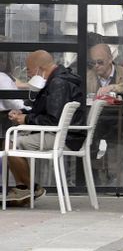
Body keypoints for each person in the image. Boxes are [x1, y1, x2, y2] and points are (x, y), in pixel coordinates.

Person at [4, 51, 86, 205]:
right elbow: (48, 111)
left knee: (10, 142)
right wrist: (23, 113)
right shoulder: (59, 80)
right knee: (12, 140)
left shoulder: (57, 83)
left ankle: (28, 188)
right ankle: (25, 189)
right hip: (69, 135)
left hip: (62, 137)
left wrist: (27, 119)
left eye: (28, 70)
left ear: (39, 68)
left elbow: (53, 120)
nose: (28, 75)